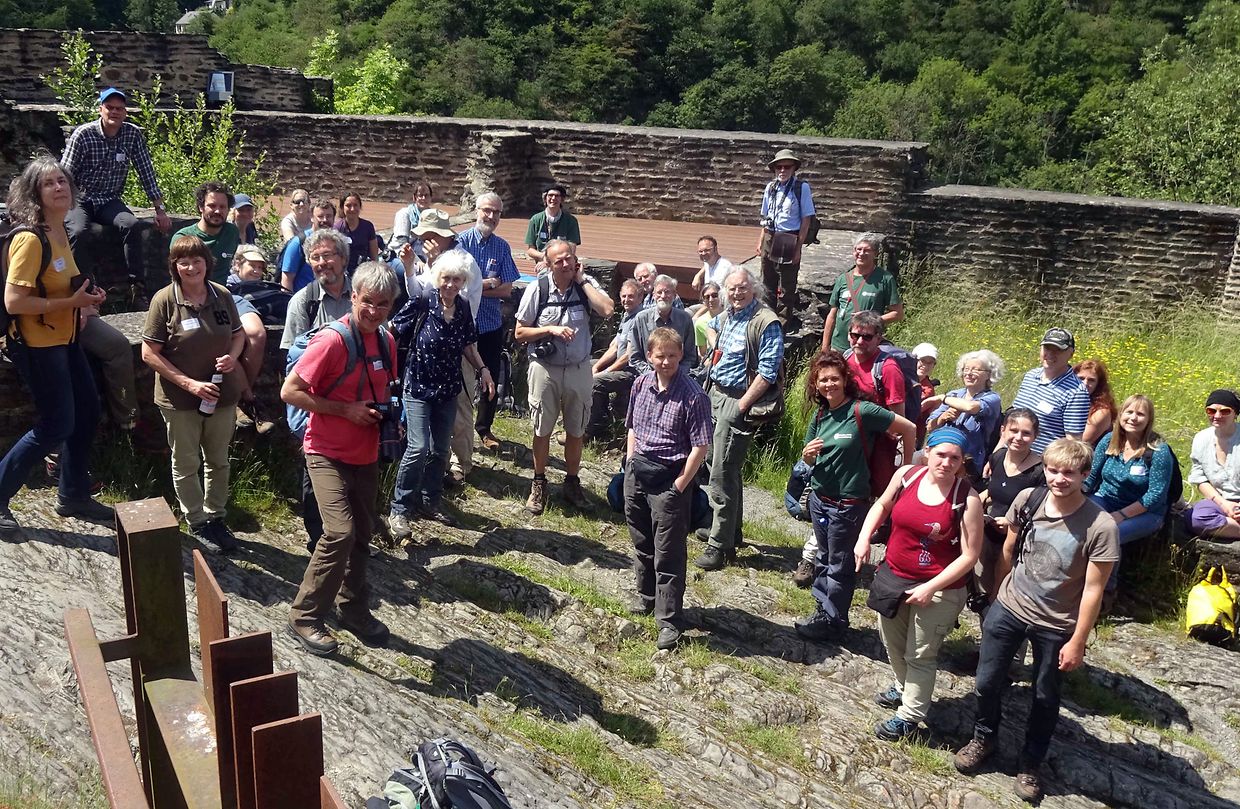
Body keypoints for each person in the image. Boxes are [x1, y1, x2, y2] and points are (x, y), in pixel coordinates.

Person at [953, 438, 1118, 804]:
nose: (1059, 479)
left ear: (1085, 475)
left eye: (1069, 473)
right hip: (1010, 607)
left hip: (1057, 624)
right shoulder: (1029, 499)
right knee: (985, 682)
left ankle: (1030, 762)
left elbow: (1094, 589)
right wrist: (996, 596)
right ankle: (985, 737)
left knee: (1045, 697)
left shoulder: (1100, 525)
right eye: (1053, 470)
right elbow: (1009, 550)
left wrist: (1078, 640)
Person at [282, 262, 400, 655]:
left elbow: (385, 393)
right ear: (353, 297)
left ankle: (353, 610)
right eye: (368, 302)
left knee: (363, 534)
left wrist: (389, 420)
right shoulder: (331, 342)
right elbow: (290, 391)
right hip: (326, 451)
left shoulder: (387, 342)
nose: (374, 311)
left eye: (383, 304)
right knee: (339, 532)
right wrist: (344, 410)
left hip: (365, 453)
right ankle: (304, 615)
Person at [0, 156, 113, 533]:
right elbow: (14, 302)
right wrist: (71, 304)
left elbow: (61, 280)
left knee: (87, 411)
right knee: (55, 424)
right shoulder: (31, 240)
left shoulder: (60, 231)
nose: (60, 187)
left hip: (63, 338)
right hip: (35, 344)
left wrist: (87, 294)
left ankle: (73, 493)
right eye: (49, 183)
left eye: (63, 181)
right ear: (35, 193)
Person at [855, 426, 983, 740]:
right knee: (893, 643)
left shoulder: (966, 498)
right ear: (928, 452)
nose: (946, 463)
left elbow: (970, 555)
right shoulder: (907, 476)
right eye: (941, 454)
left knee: (921, 654)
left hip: (940, 588)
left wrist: (931, 586)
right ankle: (902, 687)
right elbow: (882, 506)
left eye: (955, 458)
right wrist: (863, 538)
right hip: (894, 575)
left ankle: (910, 716)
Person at [793, 350, 915, 640]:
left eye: (834, 378)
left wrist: (905, 473)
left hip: (848, 502)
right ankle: (824, 610)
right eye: (823, 380)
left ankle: (833, 621)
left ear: (845, 380)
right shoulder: (821, 413)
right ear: (816, 384)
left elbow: (908, 428)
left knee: (839, 563)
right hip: (820, 498)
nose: (828, 385)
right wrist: (807, 457)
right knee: (825, 558)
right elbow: (808, 457)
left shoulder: (862, 411)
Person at [141, 235, 244, 553]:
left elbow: (238, 335)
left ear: (207, 264)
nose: (190, 266)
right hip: (180, 399)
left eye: (196, 260)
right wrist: (188, 384)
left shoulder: (222, 295)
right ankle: (196, 521)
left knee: (218, 460)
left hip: (221, 394)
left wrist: (233, 357)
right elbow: (148, 353)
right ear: (174, 266)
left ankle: (216, 518)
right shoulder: (164, 300)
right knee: (185, 461)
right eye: (183, 261)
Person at [387, 250, 494, 537]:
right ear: (438, 278)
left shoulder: (462, 309)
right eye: (446, 278)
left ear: (463, 282)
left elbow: (469, 345)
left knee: (439, 450)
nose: (450, 285)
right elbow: (392, 331)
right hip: (419, 386)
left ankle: (430, 501)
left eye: (456, 280)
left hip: (448, 390)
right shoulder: (423, 301)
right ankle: (399, 509)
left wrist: (483, 369)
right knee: (418, 447)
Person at [624, 327, 712, 650]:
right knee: (642, 542)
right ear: (650, 356)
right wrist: (630, 461)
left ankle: (669, 621)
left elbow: (700, 446)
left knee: (669, 553)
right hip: (639, 472)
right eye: (660, 356)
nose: (665, 362)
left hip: (671, 479)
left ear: (680, 356)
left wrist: (679, 486)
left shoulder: (694, 395)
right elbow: (632, 425)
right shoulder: (640, 384)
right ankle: (647, 597)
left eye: (672, 356)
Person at [514, 239, 614, 514]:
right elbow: (520, 333)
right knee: (542, 429)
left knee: (576, 429)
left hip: (579, 368)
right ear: (548, 265)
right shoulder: (539, 288)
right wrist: (551, 330)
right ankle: (539, 482)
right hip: (545, 368)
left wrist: (582, 281)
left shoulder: (585, 286)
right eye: (559, 261)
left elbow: (607, 309)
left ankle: (572, 482)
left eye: (569, 258)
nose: (566, 264)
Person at [694, 268, 785, 571]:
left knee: (721, 472)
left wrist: (742, 406)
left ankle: (720, 546)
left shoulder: (765, 321)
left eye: (742, 288)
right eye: (731, 289)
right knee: (717, 465)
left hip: (737, 400)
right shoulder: (729, 315)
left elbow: (768, 372)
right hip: (715, 394)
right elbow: (710, 327)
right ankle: (731, 531)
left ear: (754, 288)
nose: (736, 293)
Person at [281, 229, 355, 551]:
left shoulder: (361, 295)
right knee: (315, 475)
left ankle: (350, 535)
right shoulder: (304, 301)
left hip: (355, 400)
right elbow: (291, 362)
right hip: (318, 404)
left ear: (343, 259)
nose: (322, 263)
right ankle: (318, 541)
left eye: (328, 256)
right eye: (316, 257)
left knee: (354, 471)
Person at [400, 209, 482, 486]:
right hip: (430, 349)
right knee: (437, 418)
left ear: (440, 237)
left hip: (457, 345)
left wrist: (435, 265)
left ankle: (461, 465)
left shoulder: (464, 262)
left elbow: (462, 300)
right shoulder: (434, 261)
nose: (423, 240)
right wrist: (412, 267)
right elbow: (419, 295)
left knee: (460, 408)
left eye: (427, 236)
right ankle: (440, 465)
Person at [61, 88, 172, 280]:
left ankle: (135, 284)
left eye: (119, 108)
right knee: (78, 232)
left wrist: (160, 210)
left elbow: (146, 172)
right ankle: (82, 285)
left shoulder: (132, 135)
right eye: (109, 107)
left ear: (125, 112)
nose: (114, 112)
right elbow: (64, 174)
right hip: (79, 197)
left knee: (132, 225)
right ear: (100, 109)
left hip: (109, 199)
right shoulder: (83, 134)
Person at [1084, 394, 1172, 608]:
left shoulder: (1158, 451)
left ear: (1149, 419)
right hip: (1106, 498)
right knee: (1080, 522)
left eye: (1140, 413)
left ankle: (1106, 591)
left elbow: (1155, 495)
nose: (1133, 418)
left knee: (1111, 533)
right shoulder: (1109, 440)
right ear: (1120, 415)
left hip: (1146, 512)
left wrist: (1121, 515)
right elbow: (1092, 478)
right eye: (1129, 412)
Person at [455, 193, 519, 453]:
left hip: (490, 324)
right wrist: (486, 284)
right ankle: (458, 432)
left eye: (496, 213)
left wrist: (475, 287)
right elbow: (455, 285)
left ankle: (484, 429)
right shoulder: (460, 242)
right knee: (459, 379)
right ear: (476, 210)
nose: (491, 217)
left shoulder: (502, 247)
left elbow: (506, 290)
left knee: (489, 377)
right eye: (487, 211)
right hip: (462, 324)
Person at [978, 408, 1043, 601]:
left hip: (1018, 542)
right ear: (1003, 431)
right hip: (989, 532)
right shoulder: (998, 458)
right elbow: (993, 492)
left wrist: (1012, 523)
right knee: (983, 586)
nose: (1018, 437)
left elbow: (1042, 512)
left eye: (1026, 433)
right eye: (1013, 431)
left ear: (1035, 436)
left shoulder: (1039, 471)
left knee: (1005, 594)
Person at [844, 310, 906, 493]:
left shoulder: (888, 369)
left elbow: (898, 418)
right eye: (855, 335)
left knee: (879, 488)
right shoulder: (846, 357)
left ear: (878, 338)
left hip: (879, 441)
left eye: (867, 337)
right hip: (850, 435)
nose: (860, 341)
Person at [927, 350, 1006, 484]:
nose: (968, 373)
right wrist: (943, 417)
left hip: (969, 465)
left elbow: (970, 407)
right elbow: (930, 427)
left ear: (988, 374)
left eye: (975, 370)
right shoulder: (955, 394)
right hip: (942, 458)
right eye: (966, 369)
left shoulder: (992, 398)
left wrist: (943, 398)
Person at [1011, 327, 1091, 454]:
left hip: (1041, 465)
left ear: (1071, 354)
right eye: (1047, 348)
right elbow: (1012, 420)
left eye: (1058, 350)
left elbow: (1072, 443)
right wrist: (998, 452)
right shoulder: (1030, 376)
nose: (1051, 354)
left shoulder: (1076, 392)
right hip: (1010, 457)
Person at [756, 149, 815, 315]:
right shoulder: (771, 187)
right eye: (779, 167)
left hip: (789, 237)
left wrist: (798, 248)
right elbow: (766, 216)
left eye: (787, 167)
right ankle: (766, 317)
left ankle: (782, 322)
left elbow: (806, 220)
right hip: (771, 236)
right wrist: (761, 241)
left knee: (786, 284)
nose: (782, 170)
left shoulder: (801, 188)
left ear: (794, 168)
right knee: (767, 281)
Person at [821, 233, 904, 352]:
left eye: (867, 250)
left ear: (875, 254)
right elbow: (832, 315)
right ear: (853, 251)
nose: (861, 253)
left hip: (866, 347)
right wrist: (825, 347)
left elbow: (898, 314)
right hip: (838, 347)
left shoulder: (885, 279)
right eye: (858, 249)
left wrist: (871, 320)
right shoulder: (843, 279)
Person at [226, 245, 276, 433]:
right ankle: (249, 400)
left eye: (260, 267)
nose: (257, 271)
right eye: (252, 265)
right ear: (237, 265)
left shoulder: (261, 288)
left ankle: (242, 401)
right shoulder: (229, 287)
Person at [587, 279, 643, 439]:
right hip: (619, 365)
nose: (626, 300)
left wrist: (604, 371)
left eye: (631, 296)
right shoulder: (627, 316)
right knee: (582, 367)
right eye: (623, 296)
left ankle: (594, 430)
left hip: (632, 371)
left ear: (640, 297)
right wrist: (597, 366)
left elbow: (628, 355)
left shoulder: (640, 318)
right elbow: (615, 348)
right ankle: (578, 419)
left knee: (595, 381)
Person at [1184, 389, 1240, 540]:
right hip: (1221, 500)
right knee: (1195, 518)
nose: (1217, 416)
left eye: (1225, 411)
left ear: (1235, 413)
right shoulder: (1201, 439)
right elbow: (1200, 478)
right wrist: (1225, 505)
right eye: (1211, 410)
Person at [174, 182, 241, 284]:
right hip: (193, 295)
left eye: (222, 207)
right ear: (201, 207)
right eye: (212, 206)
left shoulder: (232, 232)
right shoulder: (183, 238)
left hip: (223, 293)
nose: (217, 211)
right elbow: (177, 277)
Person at [281, 199, 336, 293]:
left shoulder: (336, 242)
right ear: (311, 217)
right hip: (303, 302)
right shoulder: (299, 242)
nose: (325, 220)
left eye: (329, 216)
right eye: (320, 216)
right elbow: (287, 279)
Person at [524, 184, 581, 272]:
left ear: (562, 199)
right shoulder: (535, 220)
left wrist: (553, 261)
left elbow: (572, 250)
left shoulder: (571, 221)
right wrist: (546, 259)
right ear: (545, 198)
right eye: (550, 195)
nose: (553, 198)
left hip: (564, 263)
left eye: (557, 196)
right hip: (542, 262)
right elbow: (530, 250)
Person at [1074, 359, 1117, 446]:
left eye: (1091, 380)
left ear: (1098, 384)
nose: (1085, 383)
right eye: (1081, 378)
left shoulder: (1101, 411)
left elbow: (1079, 443)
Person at [335, 192, 379, 273]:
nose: (352, 209)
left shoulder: (368, 227)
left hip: (364, 270)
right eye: (348, 205)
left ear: (360, 207)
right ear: (342, 207)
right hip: (343, 272)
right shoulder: (337, 228)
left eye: (355, 205)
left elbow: (374, 256)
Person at [391, 181, 433, 260]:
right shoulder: (404, 214)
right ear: (414, 197)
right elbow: (402, 244)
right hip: (401, 255)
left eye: (426, 195)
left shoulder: (433, 216)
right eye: (420, 195)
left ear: (431, 198)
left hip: (424, 255)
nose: (423, 198)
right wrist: (416, 261)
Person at [692, 281, 724, 363]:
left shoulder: (731, 315)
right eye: (707, 297)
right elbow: (703, 354)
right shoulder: (700, 323)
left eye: (714, 295)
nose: (711, 300)